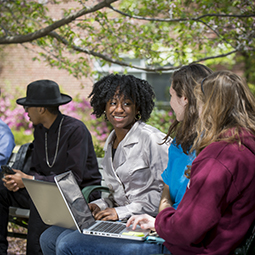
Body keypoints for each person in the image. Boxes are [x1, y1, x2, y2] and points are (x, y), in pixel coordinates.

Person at [39, 64, 213, 255]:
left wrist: (119, 213)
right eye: (113, 103)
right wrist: (101, 206)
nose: (119, 109)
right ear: (103, 106)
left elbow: (168, 194)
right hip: (120, 219)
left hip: (143, 221)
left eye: (127, 103)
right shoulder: (111, 141)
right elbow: (116, 195)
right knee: (49, 237)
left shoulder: (153, 140)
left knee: (67, 243)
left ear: (138, 107)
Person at [118, 70, 255, 255]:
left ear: (210, 107)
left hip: (191, 250)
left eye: (199, 103)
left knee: (70, 244)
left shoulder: (218, 156)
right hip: (209, 244)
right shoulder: (244, 145)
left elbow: (187, 229)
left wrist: (159, 221)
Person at [0, 80, 101, 255]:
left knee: (43, 200)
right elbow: (37, 168)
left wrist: (29, 180)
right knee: (1, 189)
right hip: (45, 190)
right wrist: (17, 182)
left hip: (77, 194)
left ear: (41, 109)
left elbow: (73, 179)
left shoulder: (76, 130)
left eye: (28, 106)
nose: (25, 111)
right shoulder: (39, 129)